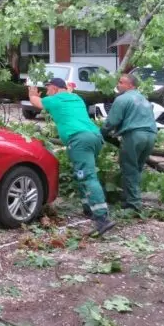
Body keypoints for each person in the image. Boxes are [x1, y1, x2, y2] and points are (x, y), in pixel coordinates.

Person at [28, 78, 115, 236]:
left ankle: (102, 218)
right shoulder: (76, 98)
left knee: (87, 175)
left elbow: (36, 102)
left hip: (79, 140)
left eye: (48, 90)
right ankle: (88, 209)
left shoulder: (54, 100)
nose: (47, 93)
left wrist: (32, 94)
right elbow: (68, 93)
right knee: (80, 173)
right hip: (95, 137)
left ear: (54, 89)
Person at [100, 73, 157, 214]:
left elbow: (112, 121)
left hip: (134, 136)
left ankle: (134, 204)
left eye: (121, 82)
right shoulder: (143, 99)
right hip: (150, 136)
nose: (118, 85)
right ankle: (128, 198)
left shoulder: (122, 99)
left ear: (130, 85)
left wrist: (100, 133)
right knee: (137, 168)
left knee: (129, 168)